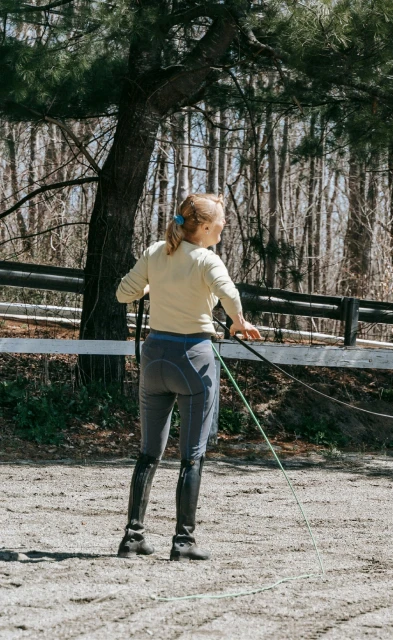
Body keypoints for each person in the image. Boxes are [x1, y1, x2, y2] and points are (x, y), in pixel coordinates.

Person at [115, 194, 261, 561]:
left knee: (149, 451)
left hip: (154, 358)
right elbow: (229, 294)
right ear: (207, 227)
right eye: (221, 221)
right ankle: (182, 542)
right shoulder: (207, 260)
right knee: (191, 455)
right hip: (193, 359)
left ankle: (132, 538)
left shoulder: (156, 251)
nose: (224, 226)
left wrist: (152, 286)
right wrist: (239, 323)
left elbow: (123, 293)